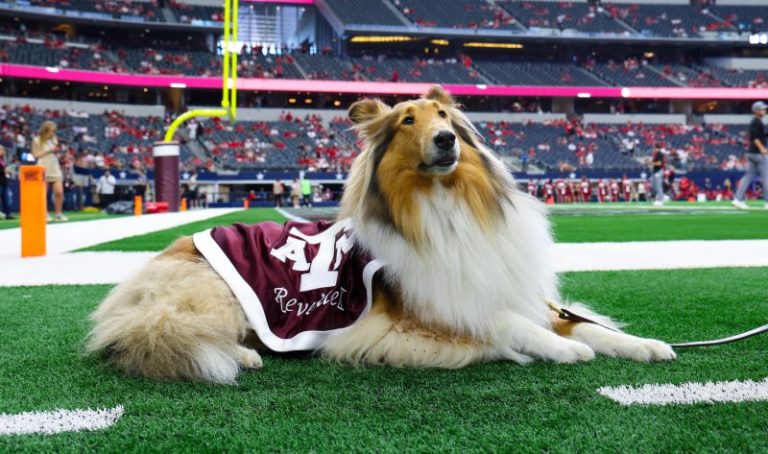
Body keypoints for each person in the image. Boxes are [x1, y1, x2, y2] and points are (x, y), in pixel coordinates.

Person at [733, 101, 768, 209]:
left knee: (748, 176)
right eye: (762, 109)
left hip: (752, 153)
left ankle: (738, 199)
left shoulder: (758, 122)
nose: (764, 110)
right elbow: (755, 138)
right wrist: (762, 148)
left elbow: (762, 135)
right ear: (756, 111)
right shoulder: (755, 122)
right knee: (766, 177)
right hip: (757, 153)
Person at [31, 121, 68, 221]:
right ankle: (44, 214)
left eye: (53, 131)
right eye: (51, 131)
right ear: (45, 130)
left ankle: (58, 214)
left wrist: (59, 153)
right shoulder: (36, 140)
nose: (52, 133)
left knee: (59, 192)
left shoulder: (54, 140)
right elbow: (35, 155)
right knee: (43, 193)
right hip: (43, 166)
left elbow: (55, 152)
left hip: (55, 166)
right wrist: (49, 150)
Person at [0, 147, 12, 220]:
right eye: (1, 150)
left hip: (4, 182)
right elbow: (3, 170)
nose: (3, 151)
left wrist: (7, 171)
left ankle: (8, 214)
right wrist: (4, 171)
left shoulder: (2, 160)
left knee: (7, 200)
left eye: (3, 150)